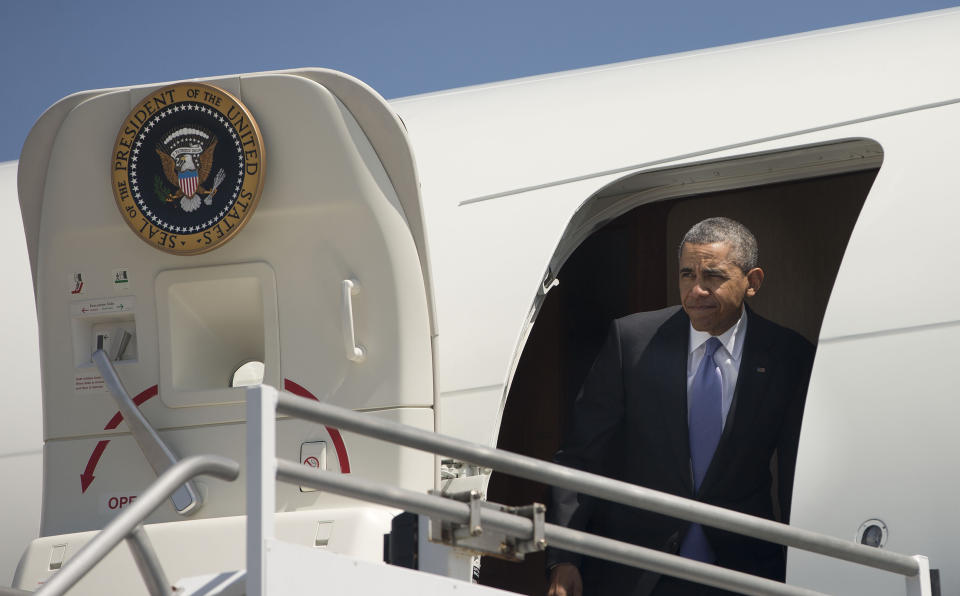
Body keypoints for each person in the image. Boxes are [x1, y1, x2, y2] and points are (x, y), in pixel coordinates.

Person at [546, 217, 814, 596]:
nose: (696, 290)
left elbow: (796, 474)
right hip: (638, 570)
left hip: (743, 571)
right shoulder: (633, 341)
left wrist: (805, 568)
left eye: (713, 276)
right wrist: (564, 555)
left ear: (752, 282)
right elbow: (582, 456)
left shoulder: (789, 355)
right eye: (687, 275)